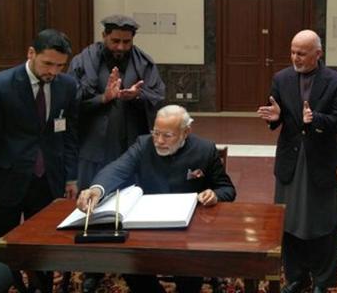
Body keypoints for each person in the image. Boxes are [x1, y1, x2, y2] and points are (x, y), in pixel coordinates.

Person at [77, 104, 235, 293]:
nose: (159, 141)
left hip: (189, 229)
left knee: (190, 270)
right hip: (147, 226)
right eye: (156, 133)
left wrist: (215, 195)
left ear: (186, 132)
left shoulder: (204, 149)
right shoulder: (143, 145)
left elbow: (227, 189)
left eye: (167, 136)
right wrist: (96, 189)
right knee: (128, 262)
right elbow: (117, 169)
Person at [0, 29, 78, 292]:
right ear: (31, 54)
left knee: (45, 247)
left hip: (47, 181)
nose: (53, 71)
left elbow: (70, 135)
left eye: (60, 66)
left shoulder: (68, 85)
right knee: (1, 252)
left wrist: (71, 176)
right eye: (47, 63)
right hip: (4, 182)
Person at [68, 14, 165, 292]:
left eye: (126, 41)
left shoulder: (144, 62)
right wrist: (104, 98)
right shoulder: (83, 61)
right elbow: (71, 100)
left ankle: (134, 263)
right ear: (104, 37)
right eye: (115, 41)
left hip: (131, 146)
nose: (121, 47)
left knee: (132, 205)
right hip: (93, 148)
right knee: (93, 207)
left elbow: (158, 95)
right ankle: (93, 269)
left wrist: (138, 97)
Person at [257, 30, 337, 293]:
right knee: (289, 222)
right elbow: (277, 116)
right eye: (293, 52)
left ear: (318, 54)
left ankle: (322, 279)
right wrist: (274, 117)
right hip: (290, 161)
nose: (295, 57)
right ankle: (296, 277)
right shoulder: (281, 78)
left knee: (323, 223)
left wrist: (316, 119)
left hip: (321, 161)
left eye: (302, 53)